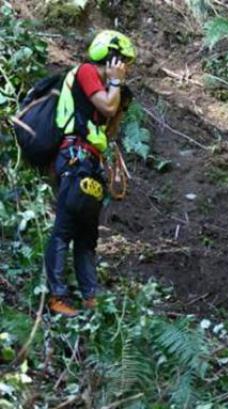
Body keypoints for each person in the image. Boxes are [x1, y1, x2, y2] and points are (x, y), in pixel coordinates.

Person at [45, 30, 136, 317]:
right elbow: (106, 106)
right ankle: (57, 296)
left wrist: (120, 99)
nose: (126, 68)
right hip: (74, 158)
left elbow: (108, 130)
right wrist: (115, 84)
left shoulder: (109, 86)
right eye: (123, 62)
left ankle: (90, 297)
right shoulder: (85, 71)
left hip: (91, 162)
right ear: (112, 57)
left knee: (87, 235)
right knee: (64, 228)